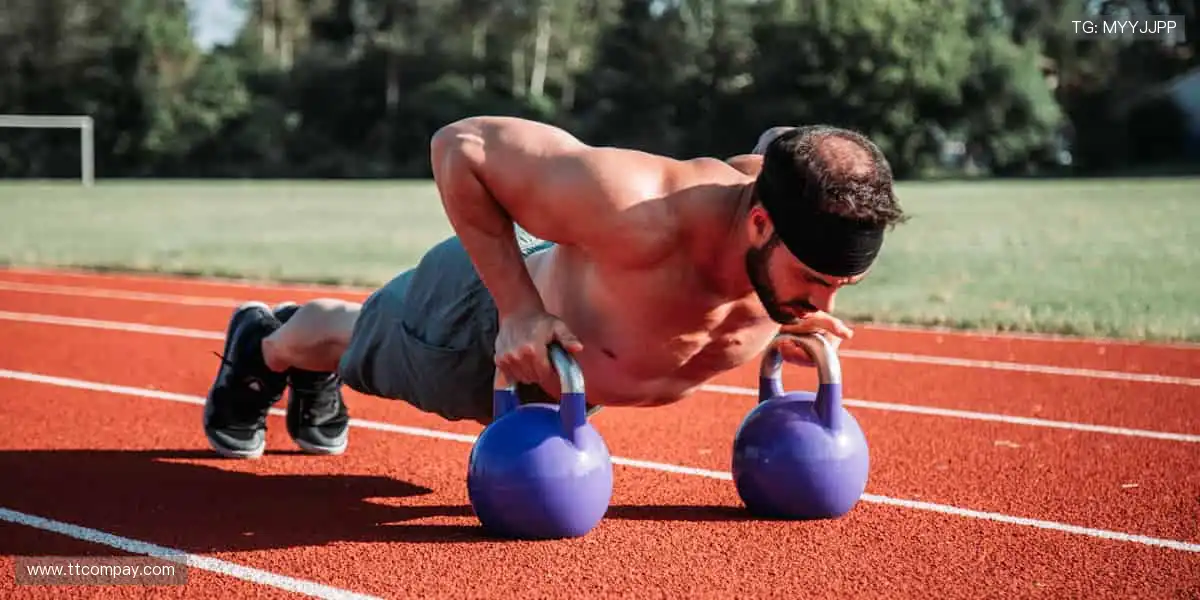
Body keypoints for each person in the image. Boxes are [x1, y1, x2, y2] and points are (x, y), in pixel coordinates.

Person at [201, 117, 907, 459]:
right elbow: (461, 147)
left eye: (843, 286)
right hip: (476, 326)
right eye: (814, 283)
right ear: (758, 223)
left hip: (571, 358)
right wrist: (517, 311)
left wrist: (793, 302)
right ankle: (269, 344)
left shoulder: (788, 208)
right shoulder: (639, 207)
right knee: (355, 340)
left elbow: (783, 138)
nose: (825, 308)